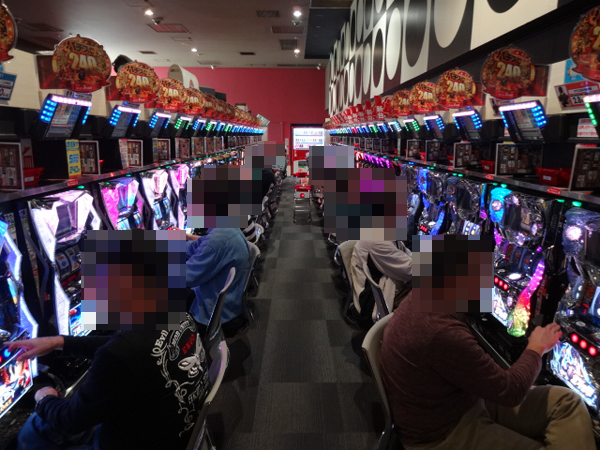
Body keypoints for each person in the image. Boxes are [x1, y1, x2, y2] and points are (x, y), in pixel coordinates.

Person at [380, 236, 595, 450]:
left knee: (566, 402)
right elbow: (510, 390)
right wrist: (536, 347)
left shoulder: (422, 298)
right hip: (442, 432)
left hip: (460, 400)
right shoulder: (442, 331)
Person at [8, 232, 210, 450]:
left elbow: (69, 420)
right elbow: (123, 348)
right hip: (176, 428)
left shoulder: (119, 355)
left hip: (143, 441)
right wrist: (60, 342)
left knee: (33, 429)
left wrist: (44, 397)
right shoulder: (176, 315)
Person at [186, 227, 250, 336]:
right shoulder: (227, 229)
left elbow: (187, 277)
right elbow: (198, 245)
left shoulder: (217, 241)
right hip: (230, 307)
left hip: (214, 318)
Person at [350, 240, 412, 322]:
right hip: (373, 300)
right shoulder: (379, 242)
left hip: (379, 281)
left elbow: (405, 252)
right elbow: (410, 270)